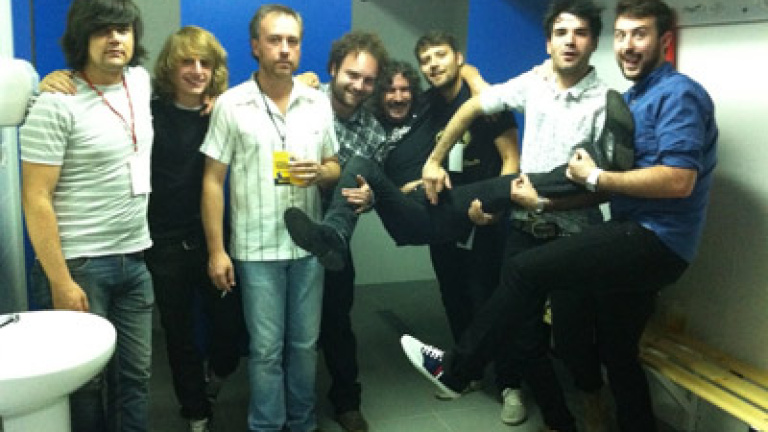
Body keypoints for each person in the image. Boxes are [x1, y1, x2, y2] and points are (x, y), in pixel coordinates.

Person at [400, 1, 718, 431]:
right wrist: (539, 201)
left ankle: (457, 370)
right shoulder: (632, 97)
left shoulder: (661, 95)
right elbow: (612, 180)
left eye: (639, 34)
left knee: (532, 285)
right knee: (616, 353)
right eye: (622, 35)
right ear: (549, 42)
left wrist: (593, 178)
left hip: (645, 236)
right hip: (615, 227)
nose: (628, 44)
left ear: (663, 41)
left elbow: (675, 180)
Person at [37, 25, 247, 432]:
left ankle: (217, 375)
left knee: (230, 329)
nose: (197, 71)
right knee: (179, 334)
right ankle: (196, 412)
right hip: (161, 243)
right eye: (187, 62)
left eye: (205, 63)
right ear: (170, 67)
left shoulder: (223, 111)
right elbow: (92, 94)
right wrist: (46, 83)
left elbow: (269, 92)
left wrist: (309, 80)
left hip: (212, 238)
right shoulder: (145, 110)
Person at [422, 1, 618, 427]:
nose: (570, 41)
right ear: (548, 42)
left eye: (580, 32)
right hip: (527, 227)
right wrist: (434, 161)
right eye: (561, 32)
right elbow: (472, 107)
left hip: (576, 233)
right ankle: (557, 419)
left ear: (592, 42)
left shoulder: (607, 102)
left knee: (571, 340)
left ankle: (592, 399)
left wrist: (547, 202)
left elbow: (604, 185)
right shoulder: (535, 82)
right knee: (522, 335)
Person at [199, 5, 340, 432]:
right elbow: (212, 180)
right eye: (274, 40)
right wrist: (216, 251)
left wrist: (321, 173)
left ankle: (302, 423)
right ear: (255, 46)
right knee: (265, 350)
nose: (284, 49)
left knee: (304, 345)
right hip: (255, 247)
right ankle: (265, 425)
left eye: (292, 41)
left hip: (308, 248)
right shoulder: (231, 104)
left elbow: (334, 165)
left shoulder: (318, 102)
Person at [20, 0, 153, 431]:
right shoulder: (56, 103)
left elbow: (198, 81)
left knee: (135, 377)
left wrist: (303, 81)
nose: (115, 38)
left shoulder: (139, 81)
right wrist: (60, 282)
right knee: (84, 385)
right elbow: (35, 197)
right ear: (82, 38)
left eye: (123, 29)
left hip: (135, 259)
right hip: (80, 266)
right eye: (102, 30)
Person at [317, 30, 389, 432]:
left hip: (335, 241)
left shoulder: (375, 132)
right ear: (333, 69)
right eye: (352, 75)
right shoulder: (301, 101)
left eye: (368, 80)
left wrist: (370, 197)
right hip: (281, 229)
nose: (359, 86)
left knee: (337, 323)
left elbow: (376, 187)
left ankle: (346, 401)